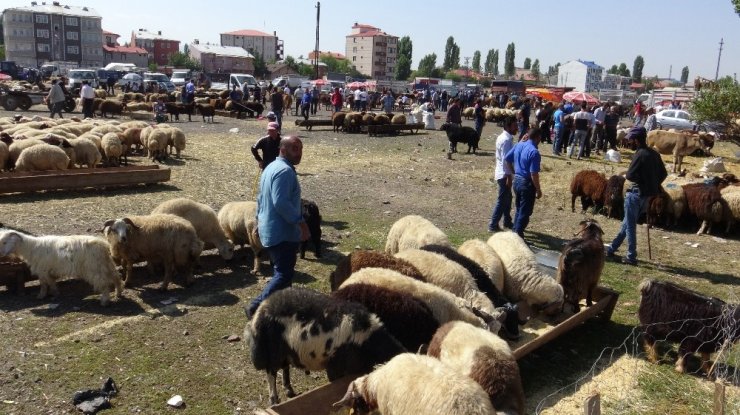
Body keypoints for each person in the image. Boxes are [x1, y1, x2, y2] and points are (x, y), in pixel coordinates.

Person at [247, 136, 310, 317]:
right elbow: (281, 203)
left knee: (284, 273)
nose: (299, 153)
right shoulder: (284, 172)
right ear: (282, 149)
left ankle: (283, 310)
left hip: (270, 228)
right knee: (283, 275)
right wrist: (301, 222)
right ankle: (256, 307)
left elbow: (260, 198)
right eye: (294, 148)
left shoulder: (270, 168)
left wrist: (259, 221)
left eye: (300, 148)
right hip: (282, 231)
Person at [606, 127, 667, 265]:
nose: (629, 143)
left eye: (630, 140)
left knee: (630, 225)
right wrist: (653, 184)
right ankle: (611, 249)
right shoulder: (654, 154)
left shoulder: (639, 154)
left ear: (636, 140)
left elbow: (630, 175)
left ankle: (631, 256)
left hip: (635, 194)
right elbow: (664, 174)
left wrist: (643, 181)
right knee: (627, 223)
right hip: (647, 196)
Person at [505, 127, 543, 238]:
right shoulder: (534, 152)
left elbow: (507, 158)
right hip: (526, 183)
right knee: (525, 211)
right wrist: (538, 189)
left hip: (517, 180)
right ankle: (517, 235)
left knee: (519, 207)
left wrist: (513, 172)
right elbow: (533, 174)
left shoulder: (519, 144)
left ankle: (515, 230)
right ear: (538, 137)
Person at [488, 116, 518, 232]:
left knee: (508, 198)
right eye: (515, 126)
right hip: (504, 174)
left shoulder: (504, 137)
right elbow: (507, 160)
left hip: (502, 172)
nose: (517, 128)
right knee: (502, 200)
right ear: (508, 126)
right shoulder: (506, 140)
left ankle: (507, 221)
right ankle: (493, 224)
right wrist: (509, 176)